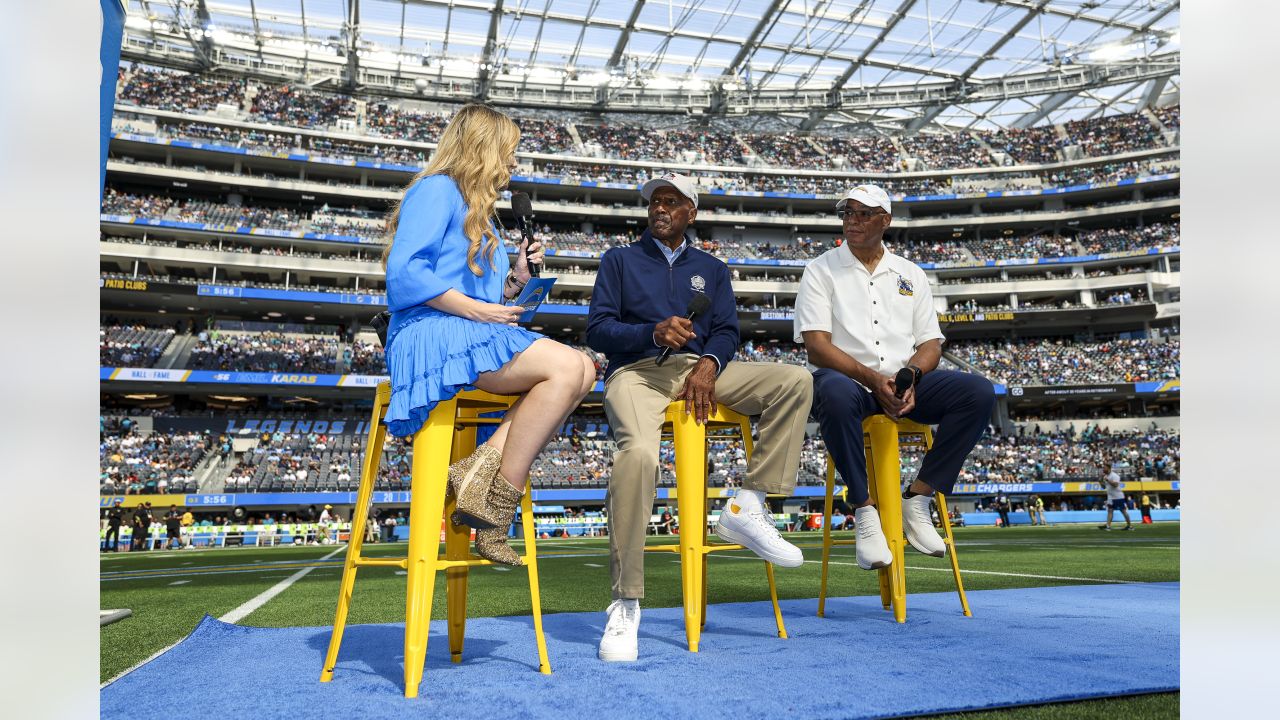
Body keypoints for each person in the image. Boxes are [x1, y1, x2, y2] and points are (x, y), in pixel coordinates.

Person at [586, 172, 814, 662]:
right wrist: (652, 332)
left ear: (691, 212)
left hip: (701, 369)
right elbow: (598, 331)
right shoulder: (618, 260)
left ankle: (746, 506)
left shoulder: (711, 267)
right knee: (639, 454)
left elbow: (728, 331)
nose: (660, 208)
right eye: (654, 202)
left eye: (672, 202)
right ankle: (625, 603)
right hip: (639, 371)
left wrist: (710, 363)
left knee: (795, 381)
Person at [381, 103, 596, 565]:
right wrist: (477, 308)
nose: (513, 163)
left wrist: (517, 276)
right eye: (509, 151)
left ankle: (477, 474)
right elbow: (404, 272)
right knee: (566, 365)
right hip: (428, 330)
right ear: (483, 148)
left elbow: (495, 298)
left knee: (583, 367)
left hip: (466, 328)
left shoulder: (485, 216)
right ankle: (498, 509)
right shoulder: (436, 190)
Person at [795, 184, 995, 570]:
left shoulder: (910, 273)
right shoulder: (820, 269)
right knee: (832, 393)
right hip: (849, 381)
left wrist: (912, 375)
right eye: (848, 213)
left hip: (903, 382)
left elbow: (931, 344)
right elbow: (817, 346)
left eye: (863, 213)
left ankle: (917, 497)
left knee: (978, 392)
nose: (853, 220)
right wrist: (874, 379)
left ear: (885, 220)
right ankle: (864, 509)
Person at [1099, 463, 1133, 531]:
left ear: (1109, 468)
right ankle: (1108, 526)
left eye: (1104, 468)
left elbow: (1116, 485)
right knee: (1110, 511)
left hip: (1118, 496)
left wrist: (1107, 480)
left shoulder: (1114, 475)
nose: (1103, 469)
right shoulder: (1105, 476)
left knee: (1123, 511)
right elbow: (1104, 487)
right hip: (1110, 497)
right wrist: (1100, 481)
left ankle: (1130, 526)